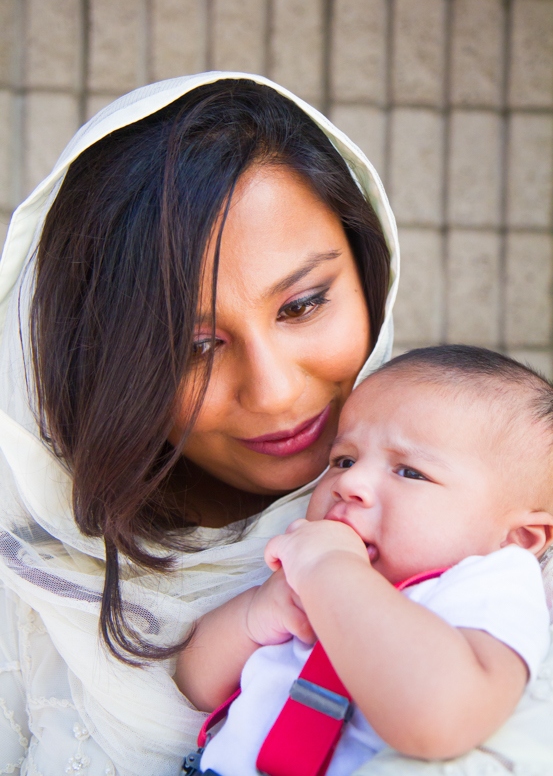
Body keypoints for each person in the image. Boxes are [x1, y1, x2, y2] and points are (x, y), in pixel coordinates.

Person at [0, 72, 551, 776]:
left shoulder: (489, 533)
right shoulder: (37, 590)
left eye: (301, 305)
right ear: (105, 362)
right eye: (193, 345)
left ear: (365, 269)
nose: (274, 391)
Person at [175, 345, 553, 776]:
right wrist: (257, 613)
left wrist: (334, 572)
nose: (349, 482)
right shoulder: (310, 569)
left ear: (519, 538)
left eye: (409, 472)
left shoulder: (492, 583)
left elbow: (442, 720)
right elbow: (196, 684)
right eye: (343, 460)